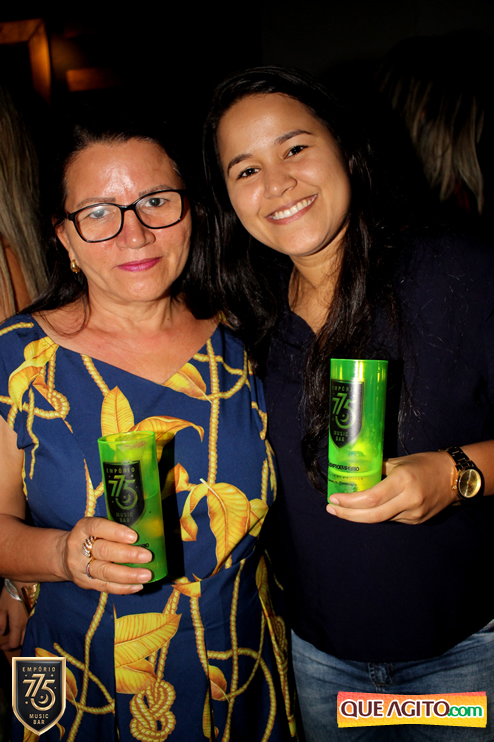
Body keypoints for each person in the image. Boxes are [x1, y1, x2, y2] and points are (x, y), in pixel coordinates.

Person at [203, 66, 494, 741]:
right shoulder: (245, 318)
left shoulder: (457, 271)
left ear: (345, 146)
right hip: (322, 662)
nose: (277, 183)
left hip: (462, 656)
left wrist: (455, 473)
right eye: (246, 170)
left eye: (295, 148)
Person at [0, 114, 296, 741]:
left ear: (192, 212)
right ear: (64, 236)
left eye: (157, 201)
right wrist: (62, 554)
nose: (134, 233)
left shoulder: (246, 338)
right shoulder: (17, 360)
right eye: (99, 213)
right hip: (84, 678)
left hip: (240, 669)